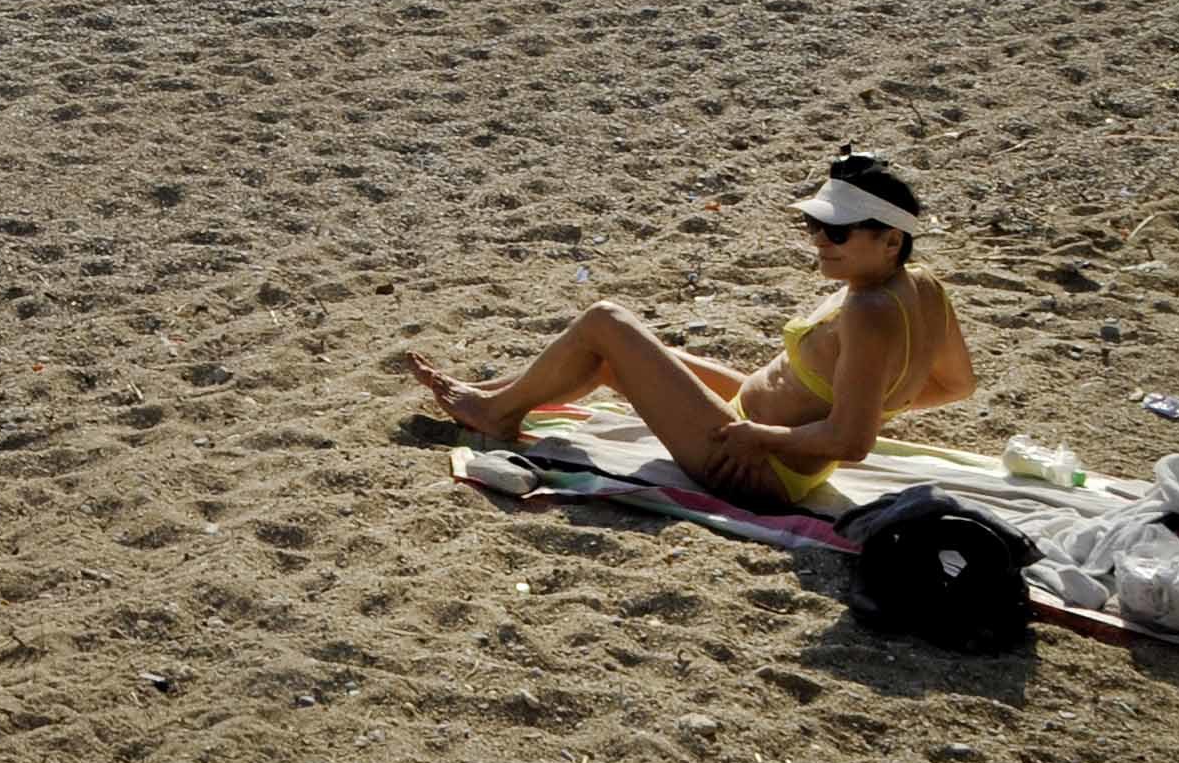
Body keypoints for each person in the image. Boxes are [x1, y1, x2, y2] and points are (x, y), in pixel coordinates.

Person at [402, 151, 975, 506]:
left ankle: (496, 413)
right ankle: (501, 397)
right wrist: (873, 399)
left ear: (891, 239)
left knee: (606, 320)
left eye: (839, 233)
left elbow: (853, 442)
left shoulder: (870, 309)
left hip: (756, 466)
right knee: (622, 353)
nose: (820, 242)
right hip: (762, 432)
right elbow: (956, 385)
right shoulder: (921, 284)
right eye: (814, 227)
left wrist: (765, 438)